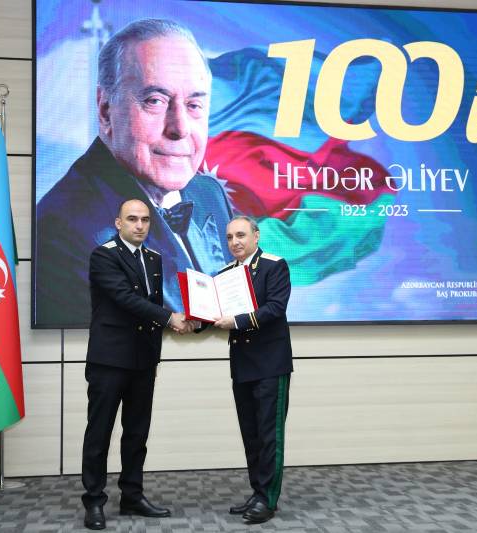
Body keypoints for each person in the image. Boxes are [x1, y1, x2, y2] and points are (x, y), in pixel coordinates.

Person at [35, 18, 234, 327]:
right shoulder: (64, 230)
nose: (180, 128)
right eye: (155, 101)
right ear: (106, 110)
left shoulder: (210, 194)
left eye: (194, 105)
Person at [81, 199, 193, 530]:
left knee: (137, 432)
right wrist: (171, 318)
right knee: (99, 432)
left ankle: (132, 495)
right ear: (118, 223)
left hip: (143, 359)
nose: (140, 225)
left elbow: (152, 307)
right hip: (109, 360)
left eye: (145, 219)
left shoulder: (154, 258)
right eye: (132, 219)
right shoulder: (103, 255)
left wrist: (189, 319)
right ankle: (94, 501)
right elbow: (125, 299)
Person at [213, 216, 294, 524]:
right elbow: (216, 313)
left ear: (256, 236)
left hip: (271, 363)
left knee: (270, 434)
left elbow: (275, 308)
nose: (235, 242)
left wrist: (237, 321)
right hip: (242, 364)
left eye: (241, 235)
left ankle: (268, 499)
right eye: (230, 237)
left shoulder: (274, 265)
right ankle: (257, 492)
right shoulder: (224, 274)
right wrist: (194, 320)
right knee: (251, 434)